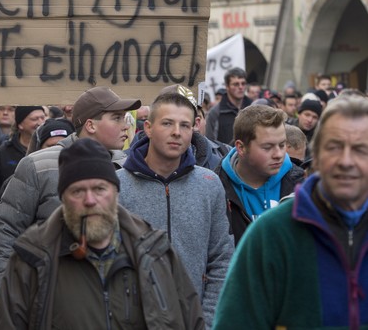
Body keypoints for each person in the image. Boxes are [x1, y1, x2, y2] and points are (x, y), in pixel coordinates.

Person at [0, 138, 204, 329]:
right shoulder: (32, 259)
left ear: (115, 193)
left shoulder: (155, 251)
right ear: (63, 199)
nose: (90, 200)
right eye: (78, 191)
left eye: (99, 189)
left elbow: (191, 320)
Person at [212, 95, 368, 329]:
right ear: (316, 155)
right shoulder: (270, 235)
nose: (346, 161)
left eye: (360, 149)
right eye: (334, 147)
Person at [0, 86, 141, 285]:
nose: (125, 126)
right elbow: (7, 231)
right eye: (117, 118)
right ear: (91, 125)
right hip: (49, 296)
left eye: (125, 118)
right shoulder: (38, 166)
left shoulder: (127, 167)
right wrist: (6, 292)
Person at [117, 88, 234, 328]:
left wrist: (207, 320)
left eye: (185, 125)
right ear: (148, 128)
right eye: (167, 123)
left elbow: (222, 259)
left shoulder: (209, 185)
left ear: (194, 129)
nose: (176, 133)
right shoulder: (117, 186)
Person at [215, 105, 305, 244]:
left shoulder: (302, 185)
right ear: (241, 147)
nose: (279, 154)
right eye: (267, 147)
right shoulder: (216, 187)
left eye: (282, 145)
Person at [0, 106, 46, 207]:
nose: (40, 123)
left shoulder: (47, 151)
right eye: (34, 119)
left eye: (42, 118)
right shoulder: (1, 154)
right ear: (20, 125)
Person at [206, 68, 253, 144]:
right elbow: (210, 142)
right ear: (227, 86)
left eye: (243, 83)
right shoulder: (215, 112)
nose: (240, 87)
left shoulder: (253, 108)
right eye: (236, 84)